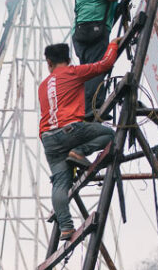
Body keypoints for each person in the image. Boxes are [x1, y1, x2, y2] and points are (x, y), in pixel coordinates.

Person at [38, 40, 118, 241]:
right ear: (68, 59)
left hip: (48, 139)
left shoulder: (43, 86)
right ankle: (80, 151)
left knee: (59, 183)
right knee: (109, 135)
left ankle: (66, 227)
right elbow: (105, 65)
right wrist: (113, 45)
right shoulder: (73, 72)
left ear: (49, 63)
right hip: (70, 130)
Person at [66, 0, 126, 113]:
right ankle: (91, 111)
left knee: (89, 72)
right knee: (97, 69)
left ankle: (89, 109)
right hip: (93, 27)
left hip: (81, 31)